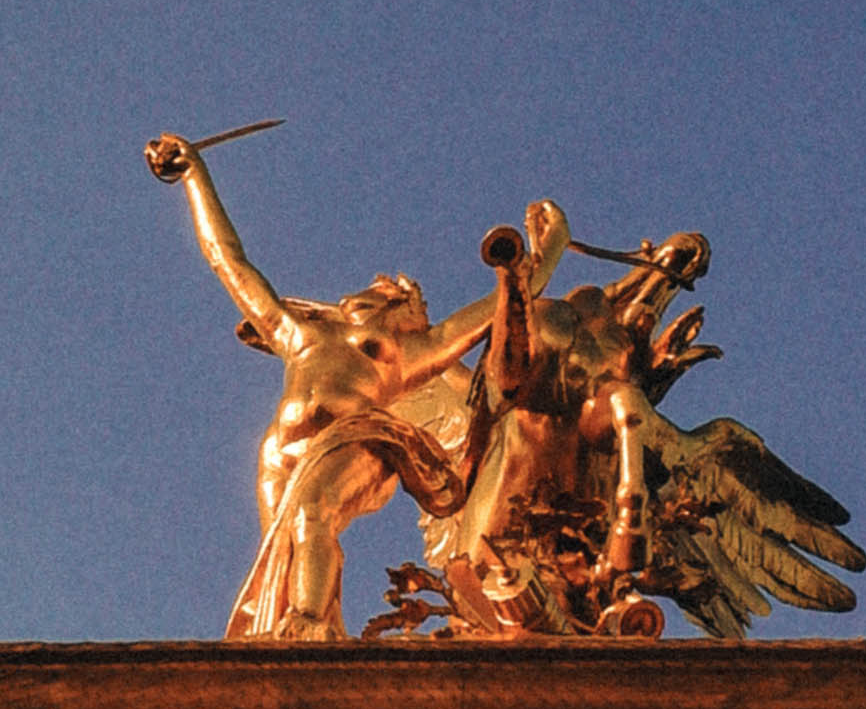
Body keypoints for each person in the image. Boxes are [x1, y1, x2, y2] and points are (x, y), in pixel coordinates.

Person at [145, 133, 566, 637]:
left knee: (312, 514)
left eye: (387, 285)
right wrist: (194, 176)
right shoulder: (300, 331)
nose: (374, 282)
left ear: (403, 308)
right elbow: (229, 261)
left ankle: (305, 622)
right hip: (282, 451)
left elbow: (497, 310)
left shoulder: (403, 351)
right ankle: (305, 624)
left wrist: (544, 251)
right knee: (282, 551)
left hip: (358, 438)